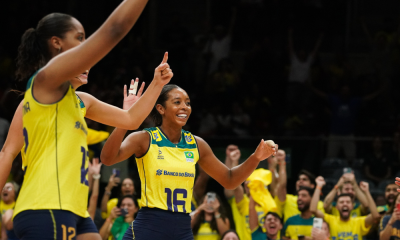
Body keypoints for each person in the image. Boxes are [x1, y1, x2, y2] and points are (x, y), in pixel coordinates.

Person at [0, 1, 174, 239]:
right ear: (57, 44)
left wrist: (156, 84)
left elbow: (131, 120)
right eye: (80, 38)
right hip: (45, 204)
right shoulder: (45, 83)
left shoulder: (82, 100)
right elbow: (7, 154)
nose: (86, 48)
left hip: (75, 209)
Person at [100, 84, 278, 239]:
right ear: (161, 109)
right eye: (177, 102)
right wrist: (125, 117)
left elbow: (230, 180)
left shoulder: (197, 144)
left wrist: (256, 158)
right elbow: (107, 159)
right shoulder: (144, 138)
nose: (185, 107)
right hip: (150, 226)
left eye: (188, 103)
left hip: (182, 228)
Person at [311, 176, 380, 240]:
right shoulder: (330, 220)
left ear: (352, 206)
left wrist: (366, 192)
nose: (345, 204)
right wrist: (318, 187)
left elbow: (375, 215)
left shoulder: (359, 222)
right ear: (337, 207)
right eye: (341, 202)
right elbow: (313, 209)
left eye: (348, 202)